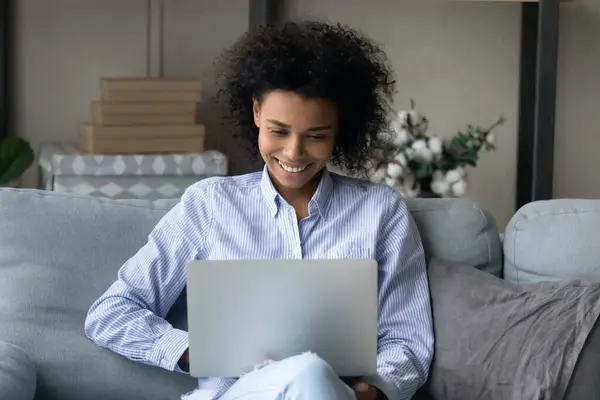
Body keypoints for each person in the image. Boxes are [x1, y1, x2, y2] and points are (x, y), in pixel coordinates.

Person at [84, 20, 434, 400]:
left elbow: (408, 338)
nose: (294, 153)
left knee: (314, 376)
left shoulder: (381, 213)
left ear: (340, 130)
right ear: (255, 113)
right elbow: (111, 312)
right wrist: (193, 351)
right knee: (309, 370)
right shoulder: (210, 204)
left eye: (316, 136)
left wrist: (375, 391)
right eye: (279, 131)